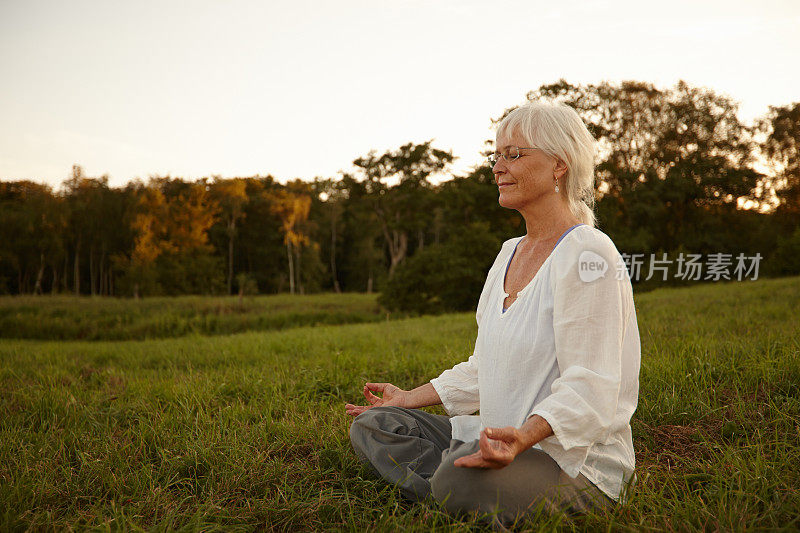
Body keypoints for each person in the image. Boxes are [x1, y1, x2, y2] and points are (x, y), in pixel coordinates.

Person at [345, 101, 641, 527]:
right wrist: (409, 398)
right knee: (376, 424)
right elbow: (485, 368)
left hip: (569, 461)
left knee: (458, 479)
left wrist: (524, 437)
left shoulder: (588, 254)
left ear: (559, 164)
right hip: (498, 438)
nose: (498, 167)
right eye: (495, 155)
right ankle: (459, 478)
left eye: (513, 155)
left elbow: (591, 389)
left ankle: (456, 483)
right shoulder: (508, 254)